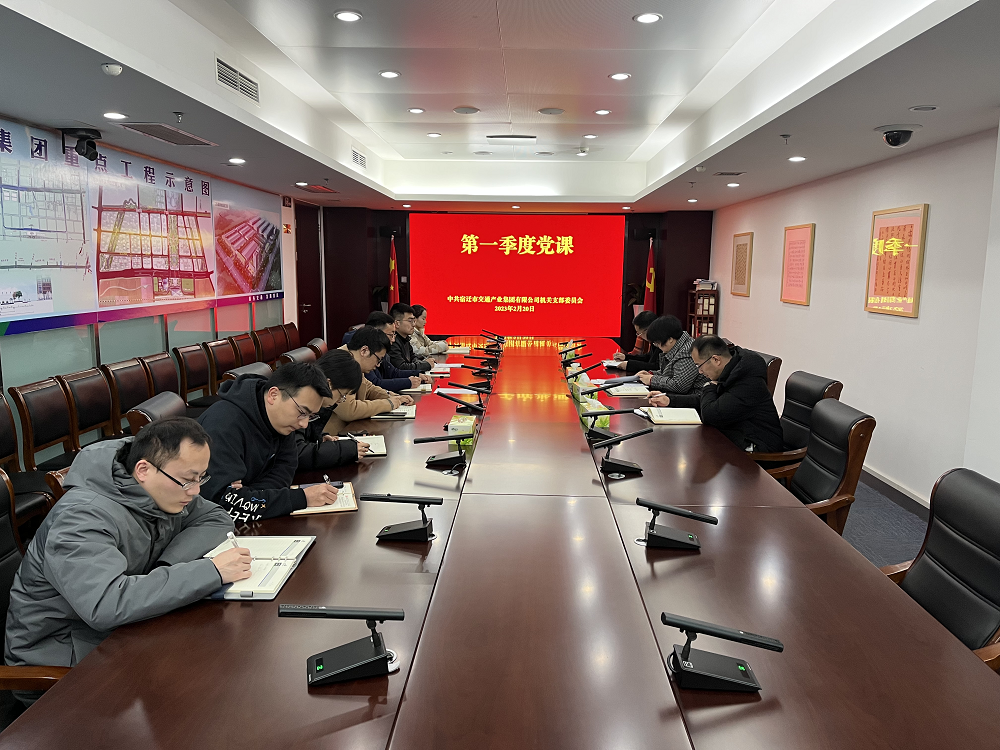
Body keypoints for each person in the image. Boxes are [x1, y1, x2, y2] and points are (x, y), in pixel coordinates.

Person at [4, 418, 250, 702]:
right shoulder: (81, 518)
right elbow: (106, 605)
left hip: (120, 634)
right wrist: (209, 572)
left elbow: (215, 518)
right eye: (188, 479)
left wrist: (167, 567)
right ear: (143, 470)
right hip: (65, 662)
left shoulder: (161, 487)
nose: (195, 491)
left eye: (201, 478)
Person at [198, 362, 344, 522]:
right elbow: (223, 505)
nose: (304, 424)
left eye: (311, 416)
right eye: (302, 412)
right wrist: (301, 498)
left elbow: (284, 472)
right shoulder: (222, 426)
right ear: (273, 395)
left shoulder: (282, 423)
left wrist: (249, 496)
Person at [650, 335, 783, 453]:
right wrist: (670, 400)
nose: (700, 372)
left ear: (716, 360)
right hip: (733, 437)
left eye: (699, 366)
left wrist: (708, 386)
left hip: (757, 449)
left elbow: (711, 414)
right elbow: (709, 401)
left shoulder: (747, 381)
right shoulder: (732, 368)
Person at [326, 327, 415, 435]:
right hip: (334, 435)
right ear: (364, 351)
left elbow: (367, 387)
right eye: (378, 359)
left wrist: (390, 396)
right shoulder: (341, 364)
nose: (378, 365)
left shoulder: (352, 360)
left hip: (350, 430)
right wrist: (388, 404)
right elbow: (349, 410)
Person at [295, 349, 372, 471]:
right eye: (342, 395)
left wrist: (319, 437)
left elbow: (303, 436)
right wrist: (345, 450)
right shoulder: (298, 400)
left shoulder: (309, 394)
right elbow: (297, 454)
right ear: (329, 384)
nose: (340, 401)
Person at [635, 315, 708, 395]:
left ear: (670, 339)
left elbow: (679, 386)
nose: (658, 346)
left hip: (694, 397)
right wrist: (651, 374)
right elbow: (669, 374)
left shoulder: (687, 351)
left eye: (658, 343)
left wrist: (651, 379)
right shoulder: (678, 346)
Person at [363, 312, 430, 391]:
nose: (393, 340)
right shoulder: (364, 352)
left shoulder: (381, 350)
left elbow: (393, 372)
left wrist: (418, 374)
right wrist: (408, 382)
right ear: (377, 333)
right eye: (391, 335)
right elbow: (375, 384)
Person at [388, 303, 433, 372]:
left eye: (414, 321)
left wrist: (423, 363)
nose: (414, 324)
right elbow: (401, 367)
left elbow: (413, 358)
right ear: (397, 323)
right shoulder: (392, 341)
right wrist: (426, 365)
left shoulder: (405, 339)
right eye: (410, 321)